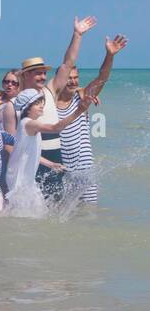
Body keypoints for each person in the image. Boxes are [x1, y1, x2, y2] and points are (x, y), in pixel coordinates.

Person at [12, 16, 99, 201]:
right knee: (35, 207)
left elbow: (68, 63)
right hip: (33, 161)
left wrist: (77, 35)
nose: (43, 76)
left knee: (57, 208)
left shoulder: (50, 91)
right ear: (25, 75)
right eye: (37, 73)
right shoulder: (15, 103)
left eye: (44, 72)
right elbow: (11, 143)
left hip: (57, 159)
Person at [54, 33, 127, 205]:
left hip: (85, 170)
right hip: (61, 170)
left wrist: (109, 56)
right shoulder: (49, 102)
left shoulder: (83, 97)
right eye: (68, 78)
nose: (72, 82)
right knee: (62, 216)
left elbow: (102, 78)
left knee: (88, 214)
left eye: (75, 78)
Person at [5, 93, 93, 218]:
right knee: (25, 217)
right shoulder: (29, 124)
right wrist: (79, 111)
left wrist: (50, 163)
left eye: (41, 102)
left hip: (26, 179)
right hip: (20, 180)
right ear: (26, 107)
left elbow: (27, 153)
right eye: (36, 103)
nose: (41, 106)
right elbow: (55, 128)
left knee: (36, 215)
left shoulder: (28, 124)